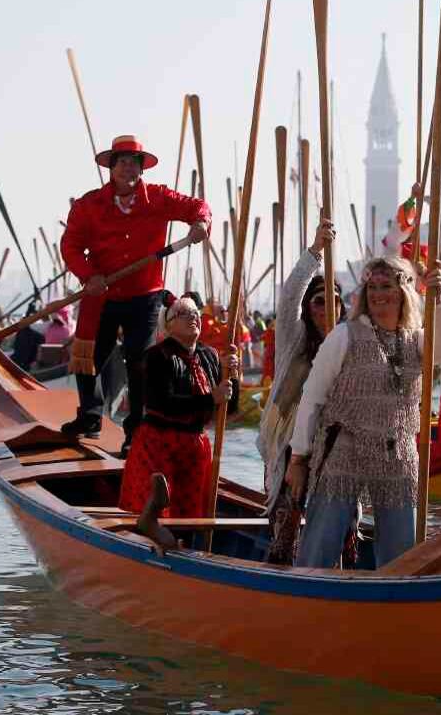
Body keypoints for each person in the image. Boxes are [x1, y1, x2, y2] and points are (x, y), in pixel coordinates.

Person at [286, 255, 441, 569]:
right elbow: (313, 397)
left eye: (386, 286)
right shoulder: (345, 335)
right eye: (372, 286)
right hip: (344, 447)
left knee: (401, 549)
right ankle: (308, 598)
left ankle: (393, 604)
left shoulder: (417, 340)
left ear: (402, 291)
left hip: (398, 452)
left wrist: (438, 298)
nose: (378, 293)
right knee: (322, 541)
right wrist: (299, 457)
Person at [59, 134, 210, 447]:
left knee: (139, 361)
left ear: (142, 169)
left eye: (134, 163)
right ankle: (89, 414)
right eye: (123, 162)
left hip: (144, 295)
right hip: (101, 294)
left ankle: (136, 431)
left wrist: (200, 223)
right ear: (112, 168)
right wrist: (89, 275)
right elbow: (71, 245)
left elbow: (197, 206)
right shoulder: (89, 205)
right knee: (87, 358)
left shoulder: (158, 197)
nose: (129, 168)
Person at [256, 219, 345, 564]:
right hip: (289, 449)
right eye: (320, 302)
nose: (327, 309)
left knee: (339, 530)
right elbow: (291, 293)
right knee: (286, 525)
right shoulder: (293, 341)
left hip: (336, 451)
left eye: (335, 302)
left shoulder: (347, 344)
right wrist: (315, 252)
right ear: (309, 308)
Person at [123, 296, 239, 551]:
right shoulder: (156, 356)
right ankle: (151, 540)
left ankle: (185, 548)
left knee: (191, 510)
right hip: (159, 442)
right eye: (184, 313)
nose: (193, 317)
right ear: (170, 324)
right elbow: (161, 402)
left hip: (195, 445)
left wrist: (233, 375)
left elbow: (229, 408)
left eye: (195, 313)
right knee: (158, 503)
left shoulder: (209, 355)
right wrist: (211, 397)